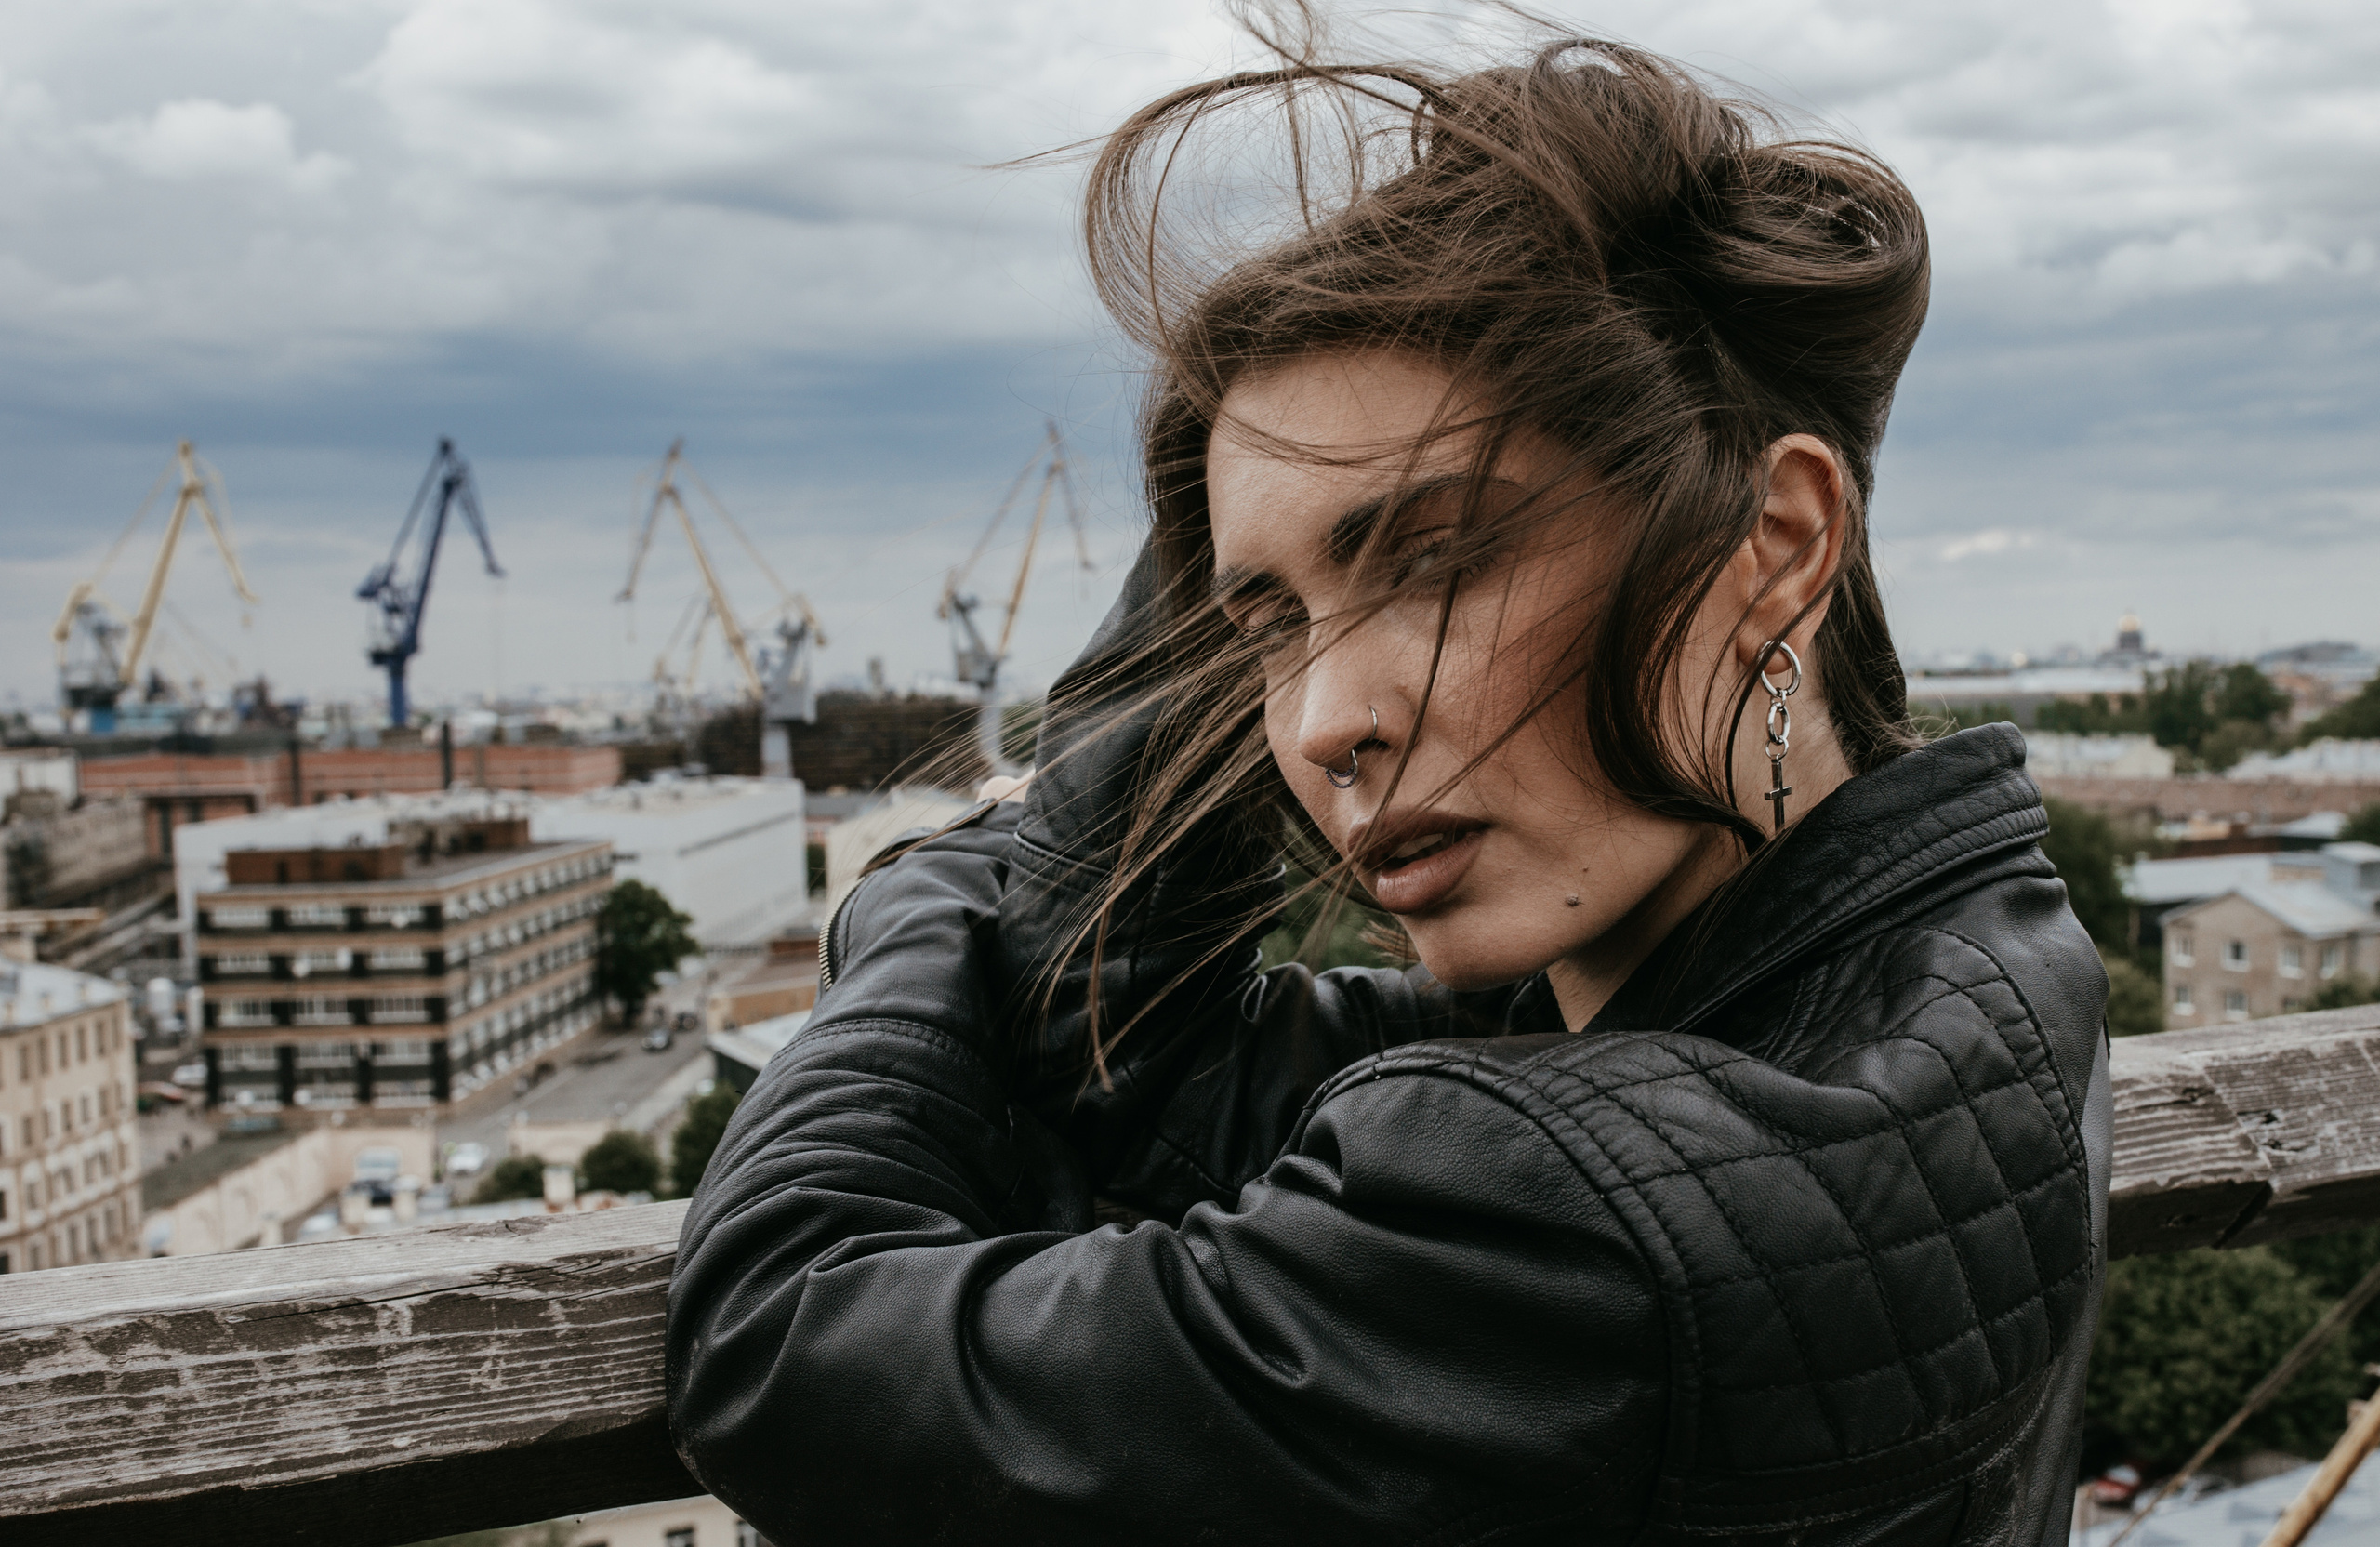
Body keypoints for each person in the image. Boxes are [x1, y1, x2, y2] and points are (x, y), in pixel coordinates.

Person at [667, 27, 2109, 1547]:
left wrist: (917, 884)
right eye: (1267, 625)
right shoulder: (1988, 965)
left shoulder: (1579, 1210)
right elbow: (1151, 1065)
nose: (1321, 724)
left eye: (1436, 557)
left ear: (1777, 543)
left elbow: (776, 1338)